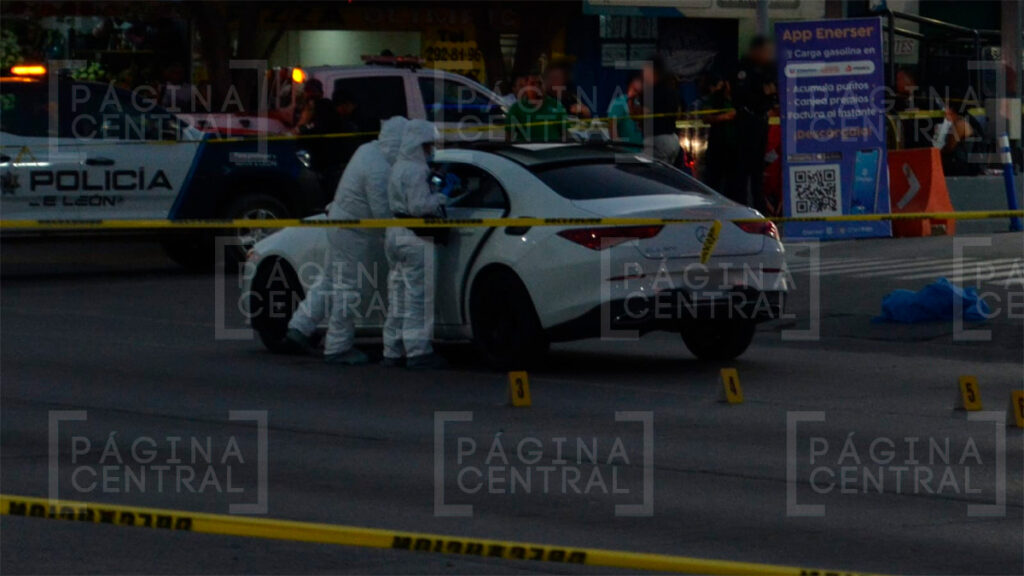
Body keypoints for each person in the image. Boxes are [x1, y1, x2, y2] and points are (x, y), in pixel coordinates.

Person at [284, 116, 409, 364]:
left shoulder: (368, 150)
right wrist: (405, 227)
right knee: (350, 287)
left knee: (330, 279)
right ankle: (338, 346)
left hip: (340, 223)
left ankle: (299, 328)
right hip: (355, 232)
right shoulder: (380, 168)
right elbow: (382, 212)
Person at [383, 120, 448, 369]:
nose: (431, 150)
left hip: (394, 232)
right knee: (418, 295)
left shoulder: (398, 167)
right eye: (428, 145)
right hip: (415, 236)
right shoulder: (417, 171)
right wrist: (442, 196)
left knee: (397, 294)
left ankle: (392, 349)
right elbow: (419, 207)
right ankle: (418, 350)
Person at [732, 36, 778, 213]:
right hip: (747, 121)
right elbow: (743, 95)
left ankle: (759, 207)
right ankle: (742, 207)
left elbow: (772, 91)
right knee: (743, 170)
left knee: (757, 170)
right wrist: (763, 92)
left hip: (760, 120)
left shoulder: (766, 69)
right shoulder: (745, 69)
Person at [698, 72, 740, 201]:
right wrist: (725, 117)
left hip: (736, 148)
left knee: (734, 184)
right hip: (717, 147)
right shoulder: (715, 98)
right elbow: (705, 118)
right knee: (714, 181)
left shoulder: (740, 98)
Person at [505, 73, 568, 143]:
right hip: (525, 152)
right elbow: (508, 138)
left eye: (540, 83)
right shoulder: (516, 108)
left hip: (553, 151)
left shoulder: (557, 106)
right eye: (532, 84)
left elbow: (566, 134)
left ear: (545, 85)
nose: (537, 87)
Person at [644, 58, 681, 164]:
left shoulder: (651, 91)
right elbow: (678, 114)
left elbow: (643, 114)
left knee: (656, 175)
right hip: (673, 139)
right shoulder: (674, 92)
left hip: (658, 139)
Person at [607, 72, 643, 146]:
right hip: (627, 152)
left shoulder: (644, 102)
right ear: (630, 85)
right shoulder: (619, 103)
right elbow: (612, 129)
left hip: (643, 152)